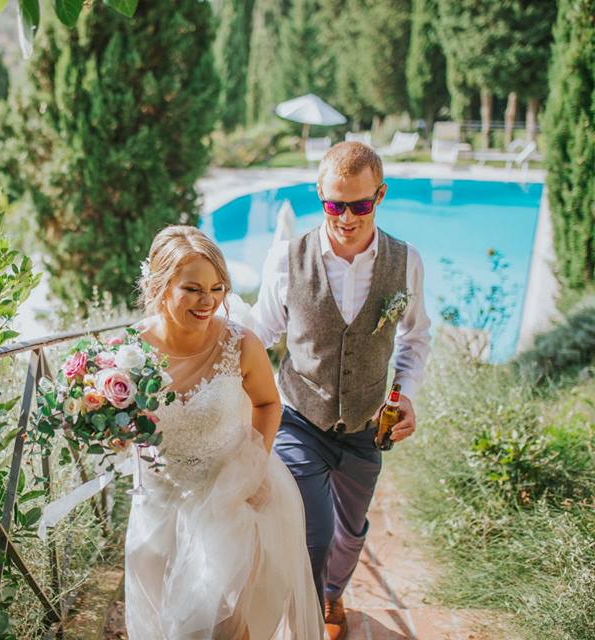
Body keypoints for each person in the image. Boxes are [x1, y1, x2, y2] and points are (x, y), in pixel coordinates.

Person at [247, 141, 432, 640]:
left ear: (380, 195)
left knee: (351, 533)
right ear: (320, 196)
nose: (345, 217)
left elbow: (416, 336)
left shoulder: (405, 261)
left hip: (366, 427)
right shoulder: (286, 259)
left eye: (359, 204)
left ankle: (332, 595)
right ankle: (303, 623)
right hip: (299, 418)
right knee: (316, 530)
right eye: (334, 204)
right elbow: (259, 335)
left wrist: (406, 391)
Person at [124, 225, 323, 639]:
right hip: (161, 495)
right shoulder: (129, 349)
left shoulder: (241, 344)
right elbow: (124, 417)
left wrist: (252, 469)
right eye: (193, 289)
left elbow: (270, 404)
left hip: (230, 493)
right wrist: (116, 433)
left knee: (221, 623)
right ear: (162, 287)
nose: (209, 301)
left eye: (217, 288)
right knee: (165, 616)